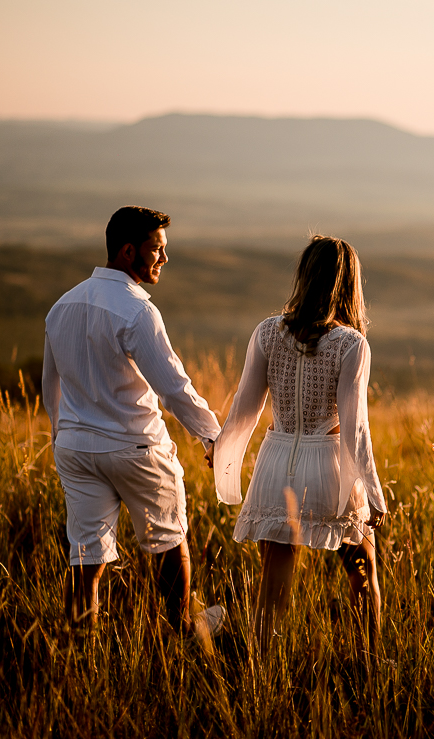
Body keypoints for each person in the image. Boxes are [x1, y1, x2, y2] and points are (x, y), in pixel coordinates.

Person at [43, 206, 224, 636]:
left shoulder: (60, 307)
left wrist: (62, 434)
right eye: (157, 249)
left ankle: (79, 642)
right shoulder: (138, 311)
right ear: (128, 252)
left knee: (85, 554)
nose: (164, 258)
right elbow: (174, 387)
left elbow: (51, 387)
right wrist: (214, 437)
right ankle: (185, 629)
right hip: (136, 448)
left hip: (76, 448)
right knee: (167, 539)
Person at [213, 235, 386, 652]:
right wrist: (375, 493)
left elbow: (244, 411)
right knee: (363, 577)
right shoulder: (351, 343)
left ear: (304, 276)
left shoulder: (267, 332)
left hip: (275, 467)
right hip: (329, 470)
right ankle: (371, 668)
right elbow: (355, 427)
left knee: (272, 593)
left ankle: (262, 675)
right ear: (349, 284)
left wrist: (222, 452)